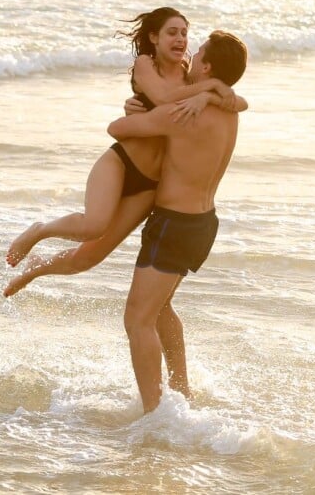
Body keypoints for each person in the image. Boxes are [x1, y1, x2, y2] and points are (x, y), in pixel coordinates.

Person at [3, 8, 246, 297]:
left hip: (151, 186)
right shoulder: (146, 64)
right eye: (172, 32)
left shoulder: (191, 78)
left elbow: (239, 102)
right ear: (154, 37)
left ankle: (37, 267)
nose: (181, 39)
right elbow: (161, 98)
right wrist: (213, 86)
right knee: (93, 225)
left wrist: (207, 94)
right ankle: (40, 230)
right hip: (122, 163)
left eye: (184, 33)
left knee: (87, 259)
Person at [106, 30, 248, 413]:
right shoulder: (228, 110)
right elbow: (237, 100)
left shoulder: (182, 113)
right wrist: (206, 92)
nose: (193, 53)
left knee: (137, 319)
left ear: (207, 66)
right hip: (202, 223)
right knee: (161, 308)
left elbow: (117, 131)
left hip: (173, 223)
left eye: (199, 52)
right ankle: (181, 390)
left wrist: (140, 111)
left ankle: (153, 412)